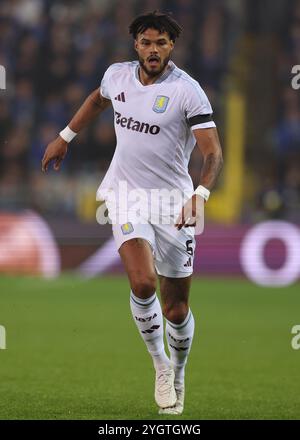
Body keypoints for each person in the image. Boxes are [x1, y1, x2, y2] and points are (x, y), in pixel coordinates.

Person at [42, 11, 223, 415]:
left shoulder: (187, 91)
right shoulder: (117, 76)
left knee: (176, 308)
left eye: (161, 42)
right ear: (135, 45)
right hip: (126, 195)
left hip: (174, 204)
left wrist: (201, 195)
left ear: (171, 46)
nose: (153, 49)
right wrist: (65, 136)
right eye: (146, 42)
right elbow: (97, 100)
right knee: (143, 284)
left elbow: (212, 152)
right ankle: (160, 364)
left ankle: (178, 371)